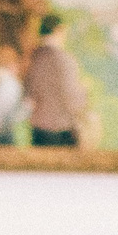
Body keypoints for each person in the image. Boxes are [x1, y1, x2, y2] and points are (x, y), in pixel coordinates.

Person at [23, 13, 88, 147]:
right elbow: (73, 99)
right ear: (59, 30)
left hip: (39, 131)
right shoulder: (65, 60)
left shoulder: (33, 59)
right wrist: (84, 92)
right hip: (62, 131)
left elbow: (29, 97)